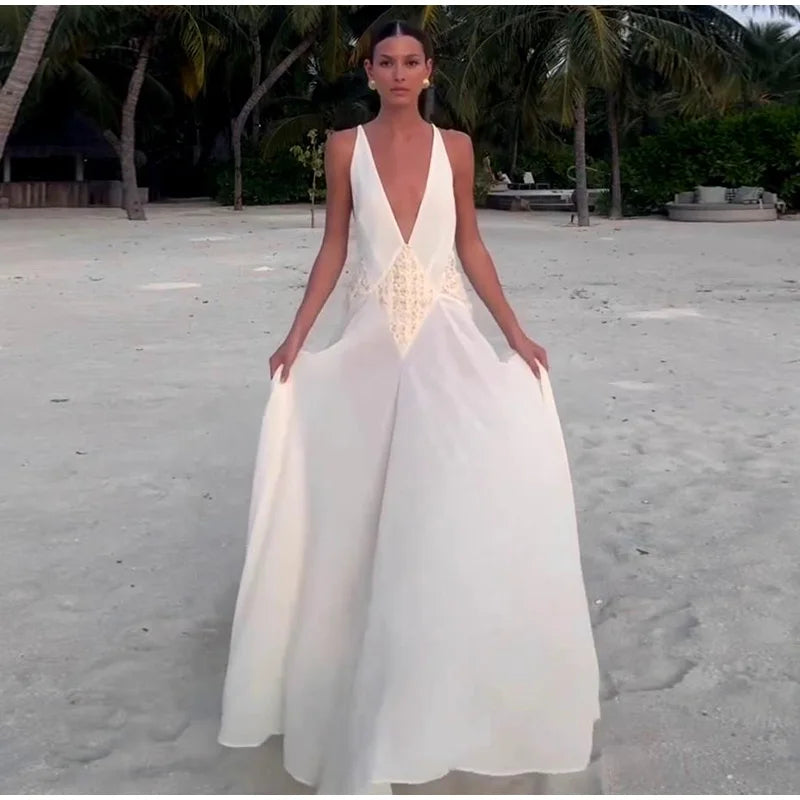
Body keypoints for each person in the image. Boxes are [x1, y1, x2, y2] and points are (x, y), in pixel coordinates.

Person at [217, 19, 600, 795]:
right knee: (358, 511)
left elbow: (470, 245)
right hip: (366, 343)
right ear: (367, 72)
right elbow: (333, 245)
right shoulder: (341, 147)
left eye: (411, 62)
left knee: (445, 503)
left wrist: (515, 334)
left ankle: (444, 687)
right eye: (384, 62)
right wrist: (296, 337)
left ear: (430, 71)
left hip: (443, 339)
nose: (398, 73)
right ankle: (364, 686)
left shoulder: (456, 147)